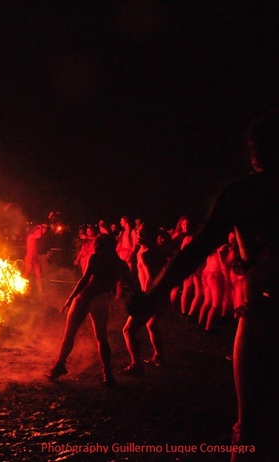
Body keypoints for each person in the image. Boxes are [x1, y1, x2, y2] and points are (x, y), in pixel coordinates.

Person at [128, 113, 279, 461]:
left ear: (256, 152)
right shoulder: (244, 193)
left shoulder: (244, 192)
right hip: (260, 312)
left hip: (262, 319)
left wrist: (154, 295)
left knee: (251, 428)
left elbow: (196, 250)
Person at [49, 233, 135, 385]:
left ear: (99, 245)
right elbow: (133, 286)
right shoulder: (121, 264)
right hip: (101, 300)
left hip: (85, 298)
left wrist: (70, 299)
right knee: (101, 338)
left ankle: (60, 366)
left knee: (69, 335)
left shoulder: (96, 258)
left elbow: (84, 280)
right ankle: (107, 374)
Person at [121, 222, 168, 374]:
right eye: (138, 232)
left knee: (128, 330)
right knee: (152, 326)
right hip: (160, 296)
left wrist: (143, 299)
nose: (139, 235)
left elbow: (150, 278)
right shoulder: (151, 250)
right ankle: (159, 357)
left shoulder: (147, 254)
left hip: (151, 297)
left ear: (151, 236)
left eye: (143, 233)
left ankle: (136, 365)